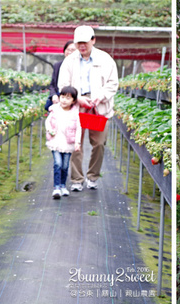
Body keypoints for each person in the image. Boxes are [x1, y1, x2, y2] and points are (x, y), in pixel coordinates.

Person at [58, 25, 119, 191]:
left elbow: (113, 84)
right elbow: (62, 84)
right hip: (77, 105)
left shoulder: (105, 59)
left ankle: (93, 177)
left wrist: (100, 96)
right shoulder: (69, 61)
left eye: (85, 42)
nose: (81, 46)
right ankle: (77, 179)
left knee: (99, 143)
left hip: (98, 107)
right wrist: (78, 98)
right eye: (79, 43)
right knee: (75, 143)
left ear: (93, 40)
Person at [46, 87, 83, 199]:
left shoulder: (75, 113)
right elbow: (47, 121)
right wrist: (49, 130)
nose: (64, 100)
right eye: (62, 97)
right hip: (56, 141)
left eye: (68, 98)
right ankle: (56, 187)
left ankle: (63, 185)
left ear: (73, 100)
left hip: (68, 143)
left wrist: (77, 142)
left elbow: (78, 128)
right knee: (58, 163)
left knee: (65, 165)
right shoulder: (54, 109)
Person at [45, 41, 77, 111]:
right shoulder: (58, 65)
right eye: (68, 49)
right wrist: (54, 95)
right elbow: (52, 84)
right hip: (60, 98)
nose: (70, 52)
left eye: (73, 50)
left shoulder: (78, 66)